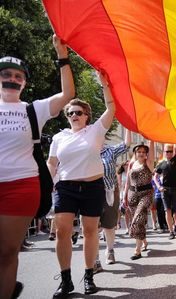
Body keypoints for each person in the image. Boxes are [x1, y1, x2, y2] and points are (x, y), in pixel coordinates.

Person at [0, 35, 75, 299]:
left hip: (21, 186)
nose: (12, 79)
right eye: (6, 74)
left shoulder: (34, 109)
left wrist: (61, 54)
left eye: (18, 76)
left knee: (8, 251)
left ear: (24, 83)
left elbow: (68, 94)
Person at [47, 72, 115, 297]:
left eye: (78, 112)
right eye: (70, 113)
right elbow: (52, 163)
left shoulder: (95, 131)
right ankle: (66, 280)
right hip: (65, 187)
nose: (74, 115)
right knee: (63, 231)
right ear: (67, 117)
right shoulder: (59, 137)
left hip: (92, 188)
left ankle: (88, 275)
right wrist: (47, 185)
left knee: (89, 231)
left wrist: (105, 85)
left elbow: (111, 109)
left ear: (86, 115)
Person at [96, 129, 131, 268]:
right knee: (91, 228)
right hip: (89, 193)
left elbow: (127, 144)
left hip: (109, 192)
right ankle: (94, 259)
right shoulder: (85, 152)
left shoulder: (110, 150)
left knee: (109, 225)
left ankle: (110, 251)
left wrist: (128, 126)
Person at [123, 141, 154, 260]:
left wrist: (151, 138)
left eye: (143, 152)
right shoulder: (132, 163)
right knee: (139, 222)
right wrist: (125, 195)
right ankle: (144, 241)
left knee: (137, 219)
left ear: (146, 154)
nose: (141, 153)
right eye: (139, 151)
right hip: (132, 195)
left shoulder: (149, 163)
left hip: (146, 194)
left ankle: (137, 250)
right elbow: (127, 182)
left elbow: (151, 150)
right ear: (135, 153)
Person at [153, 144, 176, 240]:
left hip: (175, 189)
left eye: (171, 151)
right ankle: (171, 232)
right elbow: (155, 177)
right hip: (165, 190)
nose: (169, 153)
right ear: (164, 152)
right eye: (167, 151)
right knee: (167, 210)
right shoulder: (161, 164)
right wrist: (159, 187)